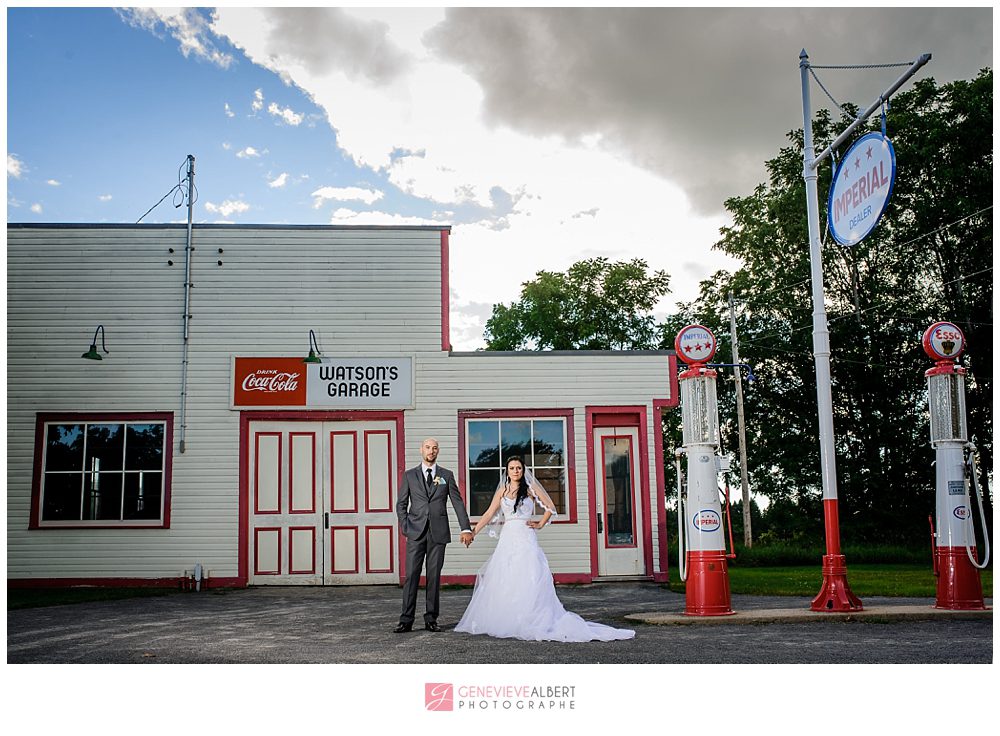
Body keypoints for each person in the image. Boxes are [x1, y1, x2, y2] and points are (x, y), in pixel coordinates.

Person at [455, 456, 635, 642]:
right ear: (507, 471)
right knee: (507, 574)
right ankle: (510, 617)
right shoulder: (502, 491)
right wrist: (473, 532)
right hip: (508, 537)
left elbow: (551, 507)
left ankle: (531, 616)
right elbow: (488, 513)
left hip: (526, 536)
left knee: (529, 573)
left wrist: (540, 523)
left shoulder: (531, 488)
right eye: (512, 468)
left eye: (519, 468)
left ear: (523, 470)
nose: (516, 471)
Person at [395, 438, 473, 633]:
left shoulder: (446, 475)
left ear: (438, 451)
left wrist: (465, 528)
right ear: (421, 450)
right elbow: (401, 504)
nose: (431, 451)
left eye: (435, 448)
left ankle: (431, 619)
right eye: (428, 447)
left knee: (433, 577)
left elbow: (457, 502)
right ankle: (406, 620)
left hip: (438, 534)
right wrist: (405, 526)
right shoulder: (409, 475)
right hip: (415, 532)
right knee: (411, 576)